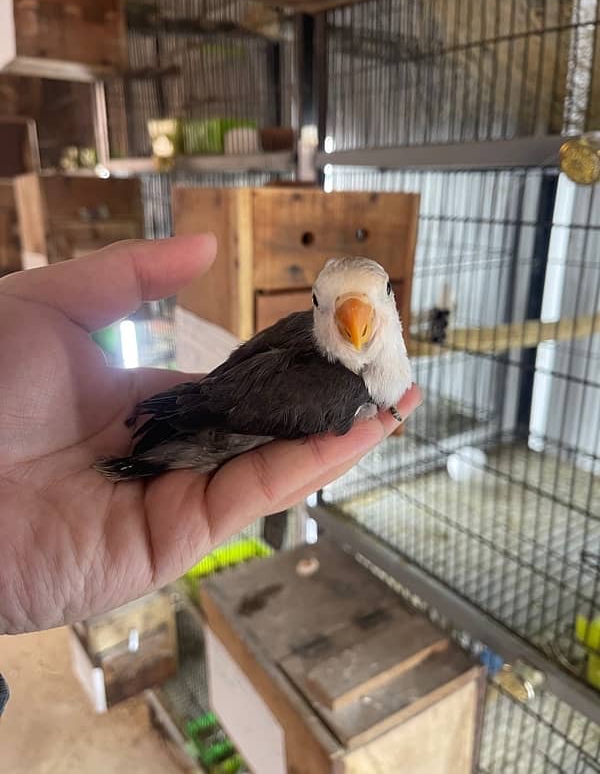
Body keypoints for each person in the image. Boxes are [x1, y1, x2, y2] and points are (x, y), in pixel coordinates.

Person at [0, 234, 422, 640]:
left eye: (378, 293)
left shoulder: (356, 376)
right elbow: (229, 394)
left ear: (390, 296)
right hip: (212, 421)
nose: (354, 320)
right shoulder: (336, 387)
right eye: (322, 305)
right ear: (314, 308)